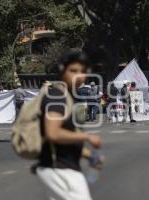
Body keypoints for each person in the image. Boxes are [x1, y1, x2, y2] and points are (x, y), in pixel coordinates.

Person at [36, 49, 103, 200]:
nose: (78, 76)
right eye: (73, 71)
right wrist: (87, 136)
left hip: (61, 168)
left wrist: (90, 155)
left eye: (82, 71)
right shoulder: (57, 97)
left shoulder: (67, 96)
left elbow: (65, 139)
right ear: (62, 70)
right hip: (60, 170)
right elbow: (53, 133)